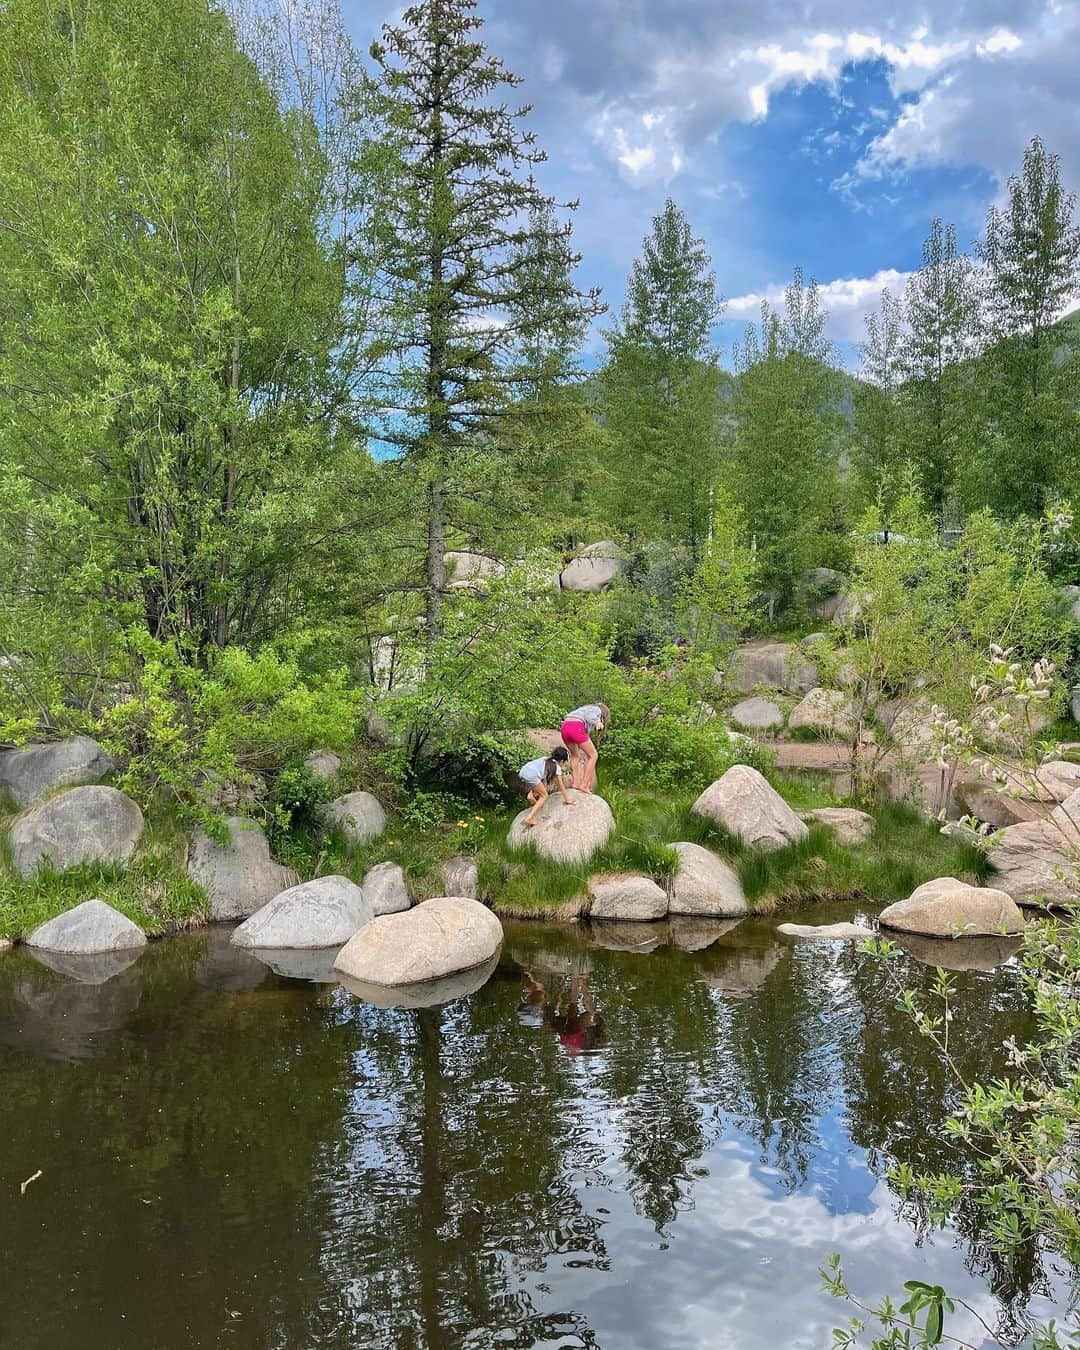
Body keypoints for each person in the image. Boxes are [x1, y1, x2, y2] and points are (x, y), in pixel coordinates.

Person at [559, 702, 610, 793]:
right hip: (576, 727)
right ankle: (584, 785)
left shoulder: (583, 709)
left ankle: (576, 784)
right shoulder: (596, 709)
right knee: (593, 755)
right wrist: (597, 722)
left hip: (565, 727)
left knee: (575, 756)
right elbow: (590, 716)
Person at [519, 746, 575, 827]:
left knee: (537, 781)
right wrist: (567, 799)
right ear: (562, 761)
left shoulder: (545, 759)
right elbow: (561, 785)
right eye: (565, 762)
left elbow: (540, 777)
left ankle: (530, 795)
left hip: (524, 770)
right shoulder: (557, 767)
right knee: (544, 796)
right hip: (531, 775)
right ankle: (529, 818)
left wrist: (534, 791)